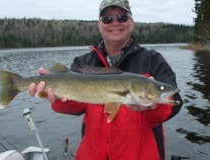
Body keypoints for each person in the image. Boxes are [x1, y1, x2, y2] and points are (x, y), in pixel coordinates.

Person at [29, 0, 183, 159]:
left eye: (122, 17)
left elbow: (174, 103)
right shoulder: (82, 63)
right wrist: (57, 99)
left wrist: (153, 107)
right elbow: (76, 107)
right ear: (100, 25)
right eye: (108, 19)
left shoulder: (153, 60)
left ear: (131, 23)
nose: (115, 23)